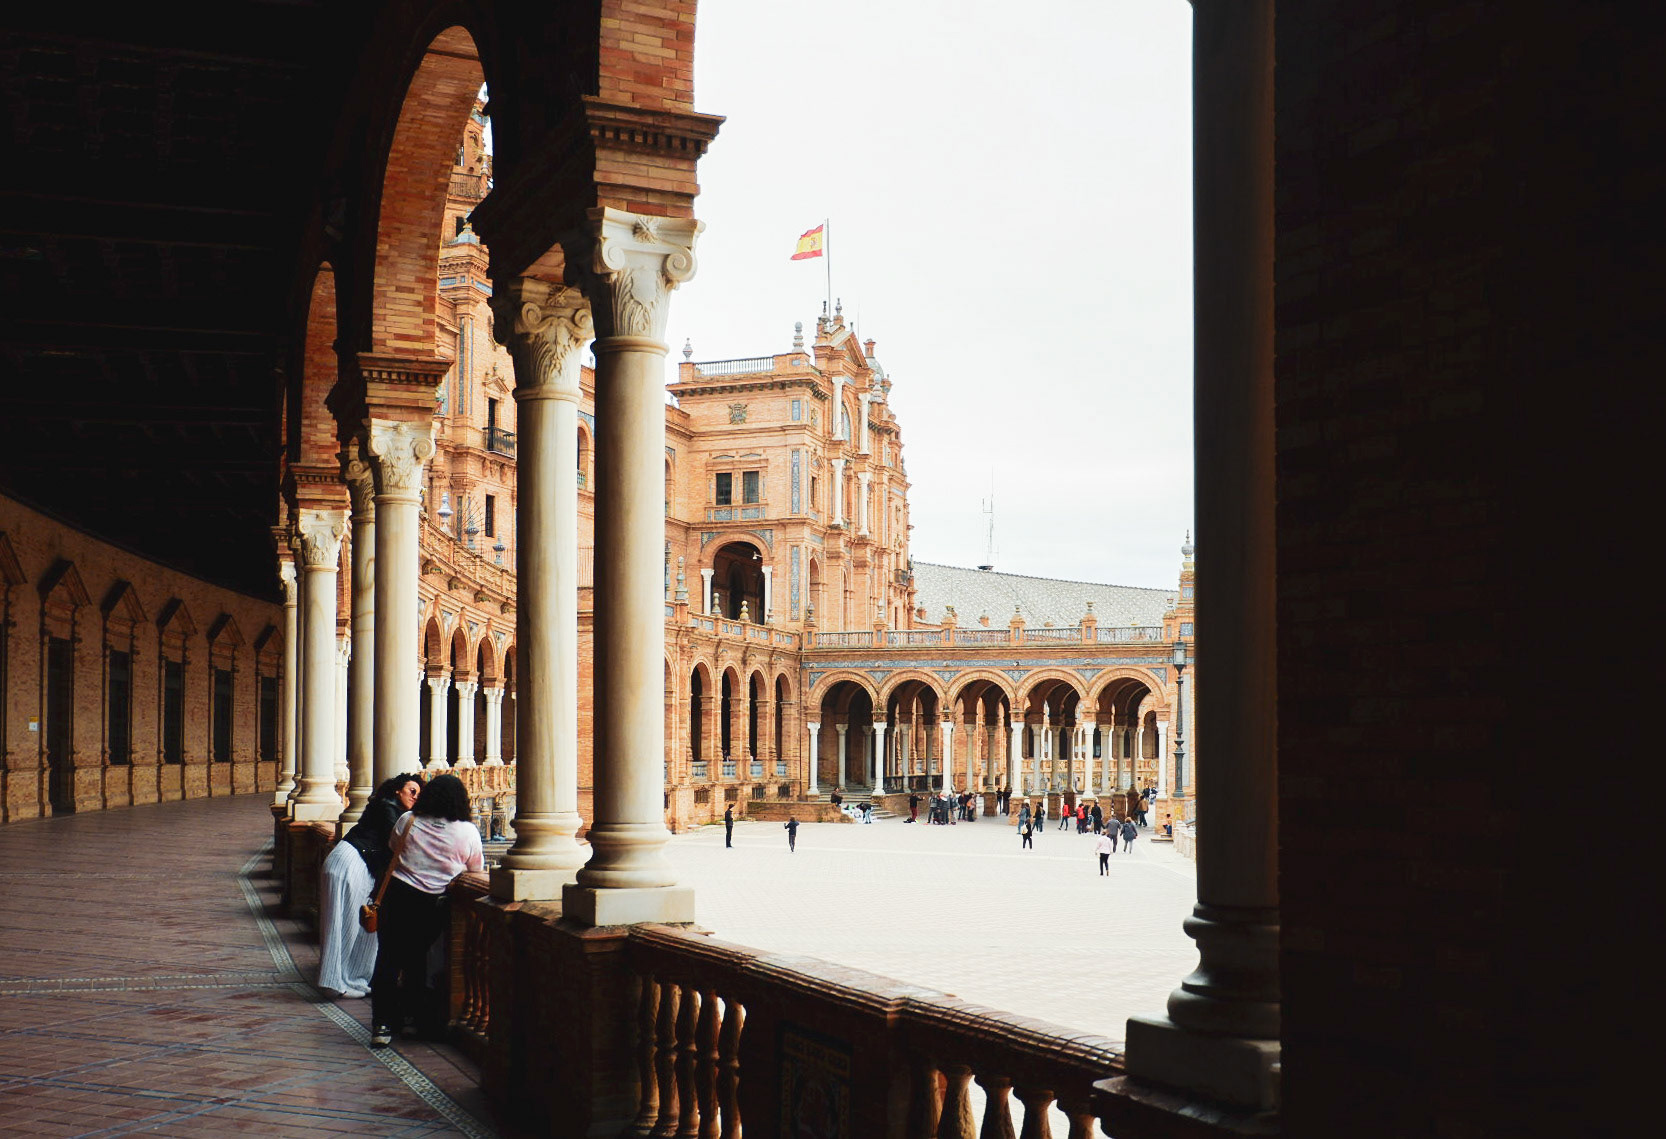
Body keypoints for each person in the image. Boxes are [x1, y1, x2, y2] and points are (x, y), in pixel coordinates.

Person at [369, 773, 484, 1047]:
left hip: (397, 897)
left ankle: (382, 1025)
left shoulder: (408, 820)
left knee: (387, 959)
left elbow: (394, 847)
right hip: (432, 905)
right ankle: (412, 1021)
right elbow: (476, 869)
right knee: (416, 961)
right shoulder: (467, 831)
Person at [319, 773, 420, 998]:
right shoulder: (388, 808)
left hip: (350, 862)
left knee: (351, 924)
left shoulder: (387, 808)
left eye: (419, 795)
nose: (415, 797)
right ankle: (336, 983)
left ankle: (347, 980)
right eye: (412, 791)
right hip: (352, 863)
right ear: (398, 790)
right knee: (345, 924)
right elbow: (401, 844)